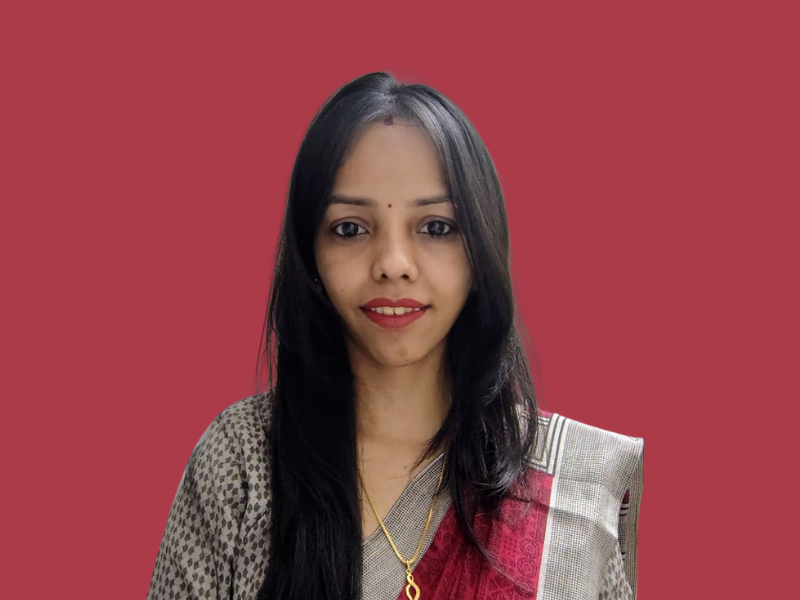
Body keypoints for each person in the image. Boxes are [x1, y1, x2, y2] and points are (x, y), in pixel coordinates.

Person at [146, 71, 644, 600]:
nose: (393, 264)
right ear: (310, 257)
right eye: (350, 228)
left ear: (481, 251)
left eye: (436, 227)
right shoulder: (243, 463)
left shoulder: (570, 484)